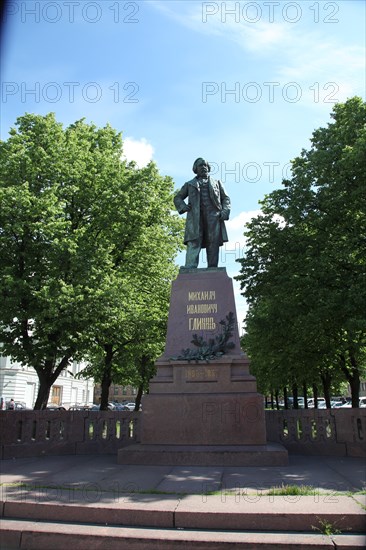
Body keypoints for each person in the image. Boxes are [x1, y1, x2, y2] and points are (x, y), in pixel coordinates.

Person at [174, 158, 231, 268]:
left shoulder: (217, 183)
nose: (204, 167)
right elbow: (178, 198)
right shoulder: (189, 184)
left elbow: (226, 198)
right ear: (195, 169)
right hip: (195, 217)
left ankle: (213, 267)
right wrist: (183, 207)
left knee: (213, 242)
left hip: (213, 217)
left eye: (205, 165)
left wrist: (225, 211)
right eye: (200, 165)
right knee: (194, 241)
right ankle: (190, 267)